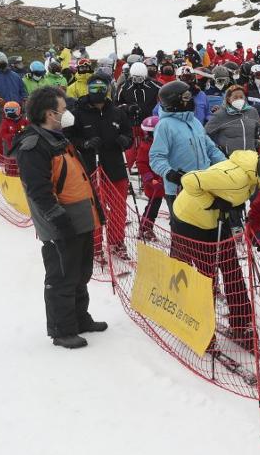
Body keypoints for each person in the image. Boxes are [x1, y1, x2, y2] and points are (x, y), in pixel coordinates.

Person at [13, 86, 106, 349]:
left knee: (81, 272)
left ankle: (79, 318)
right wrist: (58, 219)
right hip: (61, 223)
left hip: (81, 217)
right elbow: (39, 190)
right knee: (62, 276)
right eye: (63, 110)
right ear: (48, 113)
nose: (67, 114)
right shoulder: (34, 145)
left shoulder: (58, 137)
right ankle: (62, 330)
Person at [170, 151, 260, 350]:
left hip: (217, 221)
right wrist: (211, 203)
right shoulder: (237, 177)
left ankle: (241, 322)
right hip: (190, 220)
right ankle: (200, 327)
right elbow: (189, 180)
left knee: (231, 269)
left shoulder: (253, 175)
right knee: (206, 276)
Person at [65, 71, 134, 259]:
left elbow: (130, 136)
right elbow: (68, 138)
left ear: (107, 90)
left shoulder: (117, 112)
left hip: (116, 168)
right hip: (91, 168)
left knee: (119, 209)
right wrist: (85, 144)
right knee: (95, 209)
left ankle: (116, 242)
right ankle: (95, 246)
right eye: (93, 88)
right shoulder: (78, 113)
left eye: (101, 88)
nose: (97, 92)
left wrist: (124, 140)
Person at [150, 80, 226, 215]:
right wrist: (169, 173)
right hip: (180, 188)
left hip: (203, 185)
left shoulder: (194, 121)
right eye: (186, 97)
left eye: (190, 96)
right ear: (174, 101)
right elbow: (156, 157)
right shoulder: (164, 126)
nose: (191, 100)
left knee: (205, 228)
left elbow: (210, 148)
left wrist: (226, 164)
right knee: (184, 232)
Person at [205, 84, 260, 155]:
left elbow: (259, 129)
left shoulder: (252, 111)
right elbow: (205, 133)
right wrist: (217, 149)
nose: (239, 99)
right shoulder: (220, 114)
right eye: (235, 97)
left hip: (250, 158)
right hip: (229, 159)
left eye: (241, 97)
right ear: (228, 99)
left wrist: (257, 141)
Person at [134, 116, 165, 241]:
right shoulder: (145, 146)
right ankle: (145, 228)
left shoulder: (162, 144)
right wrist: (150, 179)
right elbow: (141, 164)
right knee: (152, 207)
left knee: (158, 206)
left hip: (165, 181)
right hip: (154, 183)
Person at [0, 51, 27, 122]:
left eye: (3, 61)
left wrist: (24, 100)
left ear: (6, 61)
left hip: (18, 112)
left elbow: (22, 91)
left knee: (21, 132)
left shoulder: (15, 76)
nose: (1, 63)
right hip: (1, 114)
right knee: (4, 132)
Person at [0, 101, 27, 174]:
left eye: (13, 110)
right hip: (10, 146)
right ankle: (10, 173)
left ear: (18, 110)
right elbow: (3, 134)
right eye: (8, 110)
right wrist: (12, 136)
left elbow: (29, 128)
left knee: (23, 160)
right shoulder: (5, 122)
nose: (11, 113)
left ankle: (23, 174)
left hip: (22, 145)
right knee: (11, 161)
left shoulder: (23, 121)